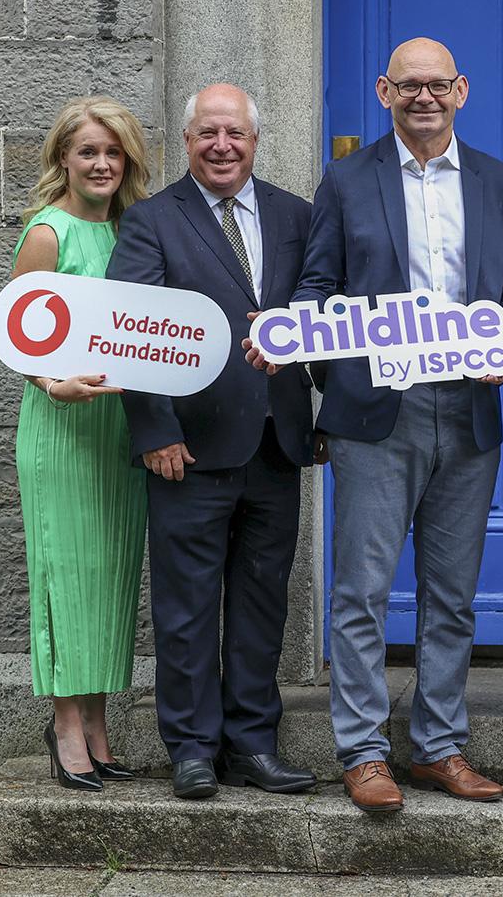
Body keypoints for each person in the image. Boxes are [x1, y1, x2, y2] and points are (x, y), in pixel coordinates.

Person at [258, 37, 503, 813]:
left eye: (437, 85)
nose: (424, 98)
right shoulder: (347, 179)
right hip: (375, 412)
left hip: (468, 409)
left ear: (462, 90)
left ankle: (439, 747)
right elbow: (318, 281)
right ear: (383, 92)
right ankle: (364, 753)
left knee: (452, 595)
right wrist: (290, 332)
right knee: (363, 592)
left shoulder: (499, 183)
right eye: (408, 86)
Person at [106, 83, 317, 800]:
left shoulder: (297, 215)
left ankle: (253, 744)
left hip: (276, 445)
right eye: (208, 134)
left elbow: (323, 318)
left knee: (263, 604)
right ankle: (192, 748)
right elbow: (128, 330)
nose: (222, 146)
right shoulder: (150, 222)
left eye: (235, 133)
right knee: (187, 606)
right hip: (187, 451)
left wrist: (321, 423)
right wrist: (154, 430)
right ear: (188, 140)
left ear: (255, 141)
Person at [12, 96, 150, 790]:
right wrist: (48, 382)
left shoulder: (134, 229)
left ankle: (98, 724)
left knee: (108, 576)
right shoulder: (48, 232)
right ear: (62, 158)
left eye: (112, 152)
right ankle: (65, 724)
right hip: (63, 427)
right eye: (88, 151)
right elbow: (12, 333)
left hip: (117, 429)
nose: (101, 163)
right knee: (65, 575)